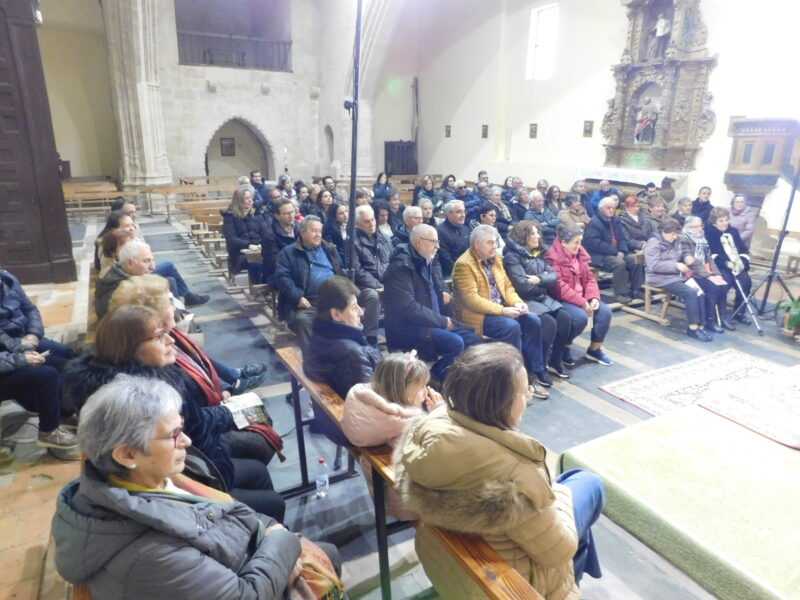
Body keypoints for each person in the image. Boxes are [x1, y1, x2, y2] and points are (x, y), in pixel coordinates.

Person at [52, 374, 340, 599]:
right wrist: (281, 540)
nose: (186, 442)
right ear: (128, 454)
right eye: (174, 435)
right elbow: (247, 595)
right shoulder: (147, 553)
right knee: (328, 555)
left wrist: (272, 538)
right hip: (247, 576)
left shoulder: (141, 479)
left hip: (240, 559)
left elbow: (226, 511)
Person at [394, 343, 605, 599]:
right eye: (524, 390)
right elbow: (559, 550)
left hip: (446, 565)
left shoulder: (430, 431)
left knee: (575, 480)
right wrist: (557, 494)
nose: (528, 395)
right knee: (589, 484)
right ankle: (581, 576)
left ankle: (584, 570)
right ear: (501, 403)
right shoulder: (518, 474)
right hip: (512, 583)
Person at [64, 305, 286, 520]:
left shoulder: (150, 376)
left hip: (186, 463)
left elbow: (189, 430)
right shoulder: (142, 400)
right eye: (160, 336)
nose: (171, 340)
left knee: (258, 470)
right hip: (178, 479)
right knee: (271, 500)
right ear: (129, 347)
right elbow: (190, 440)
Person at [107, 274, 268, 394]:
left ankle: (232, 378)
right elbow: (195, 420)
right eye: (169, 302)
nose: (174, 305)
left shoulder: (160, 338)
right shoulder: (157, 366)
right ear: (155, 313)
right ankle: (230, 384)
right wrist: (225, 404)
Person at [452, 225, 550, 398]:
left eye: (496, 242)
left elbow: (507, 286)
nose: (495, 246)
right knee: (510, 327)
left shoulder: (496, 258)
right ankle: (513, 380)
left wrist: (518, 303)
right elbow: (472, 300)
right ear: (476, 245)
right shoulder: (463, 264)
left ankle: (535, 371)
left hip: (501, 308)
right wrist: (503, 310)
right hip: (478, 316)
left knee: (532, 320)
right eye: (490, 243)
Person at [342, 353, 440, 519]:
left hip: (377, 476)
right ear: (404, 390)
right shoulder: (402, 422)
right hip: (406, 503)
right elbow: (437, 449)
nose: (425, 392)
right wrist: (438, 411)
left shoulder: (363, 397)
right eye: (422, 387)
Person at [383, 224, 481, 382]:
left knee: (473, 338)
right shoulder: (401, 268)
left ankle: (456, 382)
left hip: (430, 322)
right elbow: (408, 309)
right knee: (455, 343)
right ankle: (433, 379)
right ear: (419, 242)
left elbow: (434, 291)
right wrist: (442, 321)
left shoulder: (426, 260)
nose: (438, 246)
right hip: (409, 328)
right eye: (434, 241)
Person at [0, 267, 77, 453]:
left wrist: (33, 335)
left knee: (65, 355)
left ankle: (61, 412)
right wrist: (21, 358)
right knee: (47, 374)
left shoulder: (6, 278)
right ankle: (48, 431)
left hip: (19, 341)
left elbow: (30, 309)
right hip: (5, 358)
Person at [274, 216, 379, 346]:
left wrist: (350, 291)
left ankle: (369, 341)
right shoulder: (288, 253)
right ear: (302, 232)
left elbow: (341, 272)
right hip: (310, 301)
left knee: (371, 295)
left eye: (320, 231)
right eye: (314, 231)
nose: (318, 235)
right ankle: (313, 358)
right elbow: (282, 278)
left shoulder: (329, 249)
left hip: (338, 295)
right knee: (302, 320)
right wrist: (297, 297)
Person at [503, 221, 572, 378]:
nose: (538, 236)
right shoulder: (512, 257)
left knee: (565, 319)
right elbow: (522, 286)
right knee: (549, 324)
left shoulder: (539, 252)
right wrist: (544, 281)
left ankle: (554, 360)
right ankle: (537, 366)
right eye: (533, 233)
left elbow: (554, 276)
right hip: (524, 300)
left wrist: (539, 279)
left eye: (538, 233)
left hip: (541, 297)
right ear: (523, 236)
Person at [547, 226, 615, 366]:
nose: (579, 246)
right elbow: (559, 287)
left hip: (582, 297)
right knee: (579, 317)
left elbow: (590, 279)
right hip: (562, 299)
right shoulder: (552, 258)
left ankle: (594, 349)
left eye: (580, 242)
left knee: (605, 312)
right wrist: (582, 302)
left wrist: (593, 297)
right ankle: (564, 345)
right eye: (575, 242)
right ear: (564, 243)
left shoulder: (580, 255)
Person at [644, 219, 713, 341]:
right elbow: (653, 265)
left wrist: (686, 256)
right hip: (659, 277)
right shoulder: (653, 243)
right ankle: (692, 329)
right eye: (672, 234)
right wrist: (675, 265)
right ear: (664, 232)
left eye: (676, 234)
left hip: (675, 276)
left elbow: (683, 251)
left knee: (699, 291)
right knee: (690, 293)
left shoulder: (677, 239)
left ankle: (700, 326)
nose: (675, 237)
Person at [583, 197, 644, 303]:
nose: (611, 210)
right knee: (619, 263)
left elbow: (622, 238)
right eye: (608, 208)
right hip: (598, 255)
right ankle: (621, 294)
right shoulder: (594, 222)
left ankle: (636, 290)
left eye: (613, 208)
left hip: (616, 252)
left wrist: (622, 250)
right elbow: (594, 244)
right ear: (601, 209)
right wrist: (615, 252)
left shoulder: (615, 220)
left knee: (635, 259)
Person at [679, 216, 735, 332]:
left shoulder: (702, 238)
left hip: (704, 271)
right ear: (688, 227)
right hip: (690, 273)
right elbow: (691, 262)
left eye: (700, 226)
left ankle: (721, 318)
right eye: (695, 226)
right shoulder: (684, 239)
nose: (699, 229)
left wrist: (717, 273)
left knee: (723, 285)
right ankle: (709, 321)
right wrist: (708, 276)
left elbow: (709, 258)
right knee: (713, 287)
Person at [350, 205, 390, 344]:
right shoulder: (351, 242)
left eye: (373, 219)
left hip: (385, 282)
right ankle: (371, 337)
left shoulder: (383, 239)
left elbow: (391, 262)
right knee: (373, 296)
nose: (372, 224)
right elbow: (357, 270)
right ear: (357, 224)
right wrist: (378, 285)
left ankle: (397, 334)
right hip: (362, 286)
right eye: (367, 221)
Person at [705, 207, 753, 324]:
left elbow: (743, 249)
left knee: (746, 282)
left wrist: (742, 262)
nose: (725, 223)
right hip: (720, 266)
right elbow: (711, 254)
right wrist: (727, 264)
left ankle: (739, 313)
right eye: (721, 221)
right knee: (725, 283)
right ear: (714, 221)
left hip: (737, 264)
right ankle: (720, 314)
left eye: (726, 220)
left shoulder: (733, 231)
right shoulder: (709, 232)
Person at [95, 240, 156, 318]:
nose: (152, 267)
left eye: (152, 260)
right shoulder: (124, 291)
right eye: (146, 261)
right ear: (130, 263)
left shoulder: (117, 274)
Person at [222, 187, 270, 284]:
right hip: (240, 253)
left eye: (251, 198)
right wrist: (248, 245)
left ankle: (268, 287)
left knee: (273, 259)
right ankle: (258, 288)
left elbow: (266, 234)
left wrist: (263, 244)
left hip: (259, 249)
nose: (250, 201)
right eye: (246, 198)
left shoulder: (257, 215)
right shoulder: (230, 217)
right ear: (239, 201)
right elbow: (231, 239)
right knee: (255, 263)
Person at [262, 199, 299, 281]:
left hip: (300, 269)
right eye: (286, 213)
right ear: (277, 216)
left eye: (292, 212)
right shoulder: (269, 234)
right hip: (279, 274)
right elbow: (274, 261)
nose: (291, 216)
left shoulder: (300, 228)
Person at [437, 200, 471, 277]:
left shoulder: (466, 229)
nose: (463, 215)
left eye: (464, 211)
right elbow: (445, 259)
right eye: (459, 212)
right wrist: (463, 271)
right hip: (453, 273)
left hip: (469, 269)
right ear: (449, 214)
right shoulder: (440, 231)